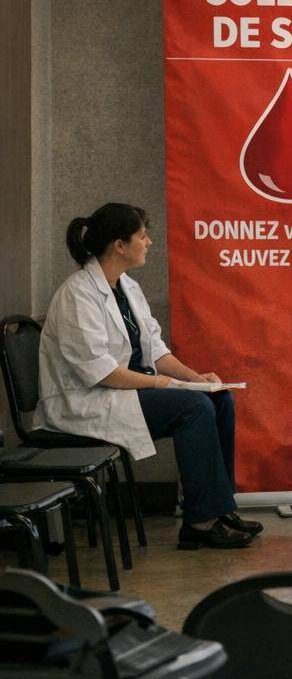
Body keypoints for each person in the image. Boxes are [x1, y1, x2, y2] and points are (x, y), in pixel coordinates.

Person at [36, 203, 259, 550]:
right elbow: (103, 372)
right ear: (119, 245)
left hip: (126, 392)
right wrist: (164, 384)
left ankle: (219, 509)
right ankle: (200, 522)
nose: (149, 242)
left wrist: (195, 378)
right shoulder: (77, 294)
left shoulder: (127, 287)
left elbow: (154, 349)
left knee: (218, 398)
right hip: (85, 402)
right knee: (195, 408)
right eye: (142, 236)